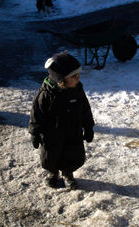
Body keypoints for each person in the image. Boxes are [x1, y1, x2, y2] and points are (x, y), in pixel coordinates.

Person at [29, 51, 95, 189]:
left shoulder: (77, 90)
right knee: (51, 155)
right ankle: (53, 173)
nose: (78, 78)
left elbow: (85, 109)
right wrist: (35, 133)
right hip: (52, 134)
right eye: (73, 76)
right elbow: (37, 114)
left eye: (78, 74)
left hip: (73, 131)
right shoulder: (46, 94)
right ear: (61, 80)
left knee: (72, 154)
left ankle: (68, 173)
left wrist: (88, 127)